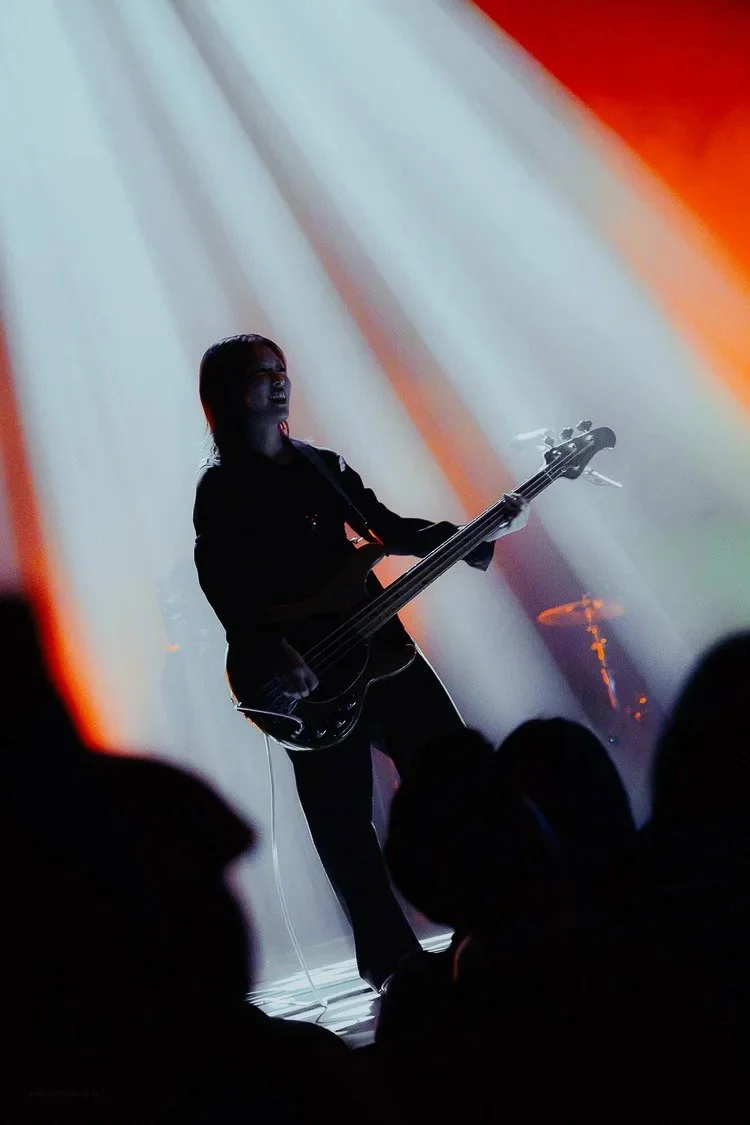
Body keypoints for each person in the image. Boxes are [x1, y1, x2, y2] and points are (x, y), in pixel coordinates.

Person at [193, 333, 527, 991]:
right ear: (228, 394)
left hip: (380, 649)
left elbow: (384, 526)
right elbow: (220, 581)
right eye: (261, 373)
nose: (278, 380)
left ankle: (480, 923)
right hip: (307, 674)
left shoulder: (319, 464)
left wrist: (468, 537)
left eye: (282, 368)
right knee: (344, 823)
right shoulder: (223, 488)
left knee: (454, 767)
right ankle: (392, 962)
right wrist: (269, 649)